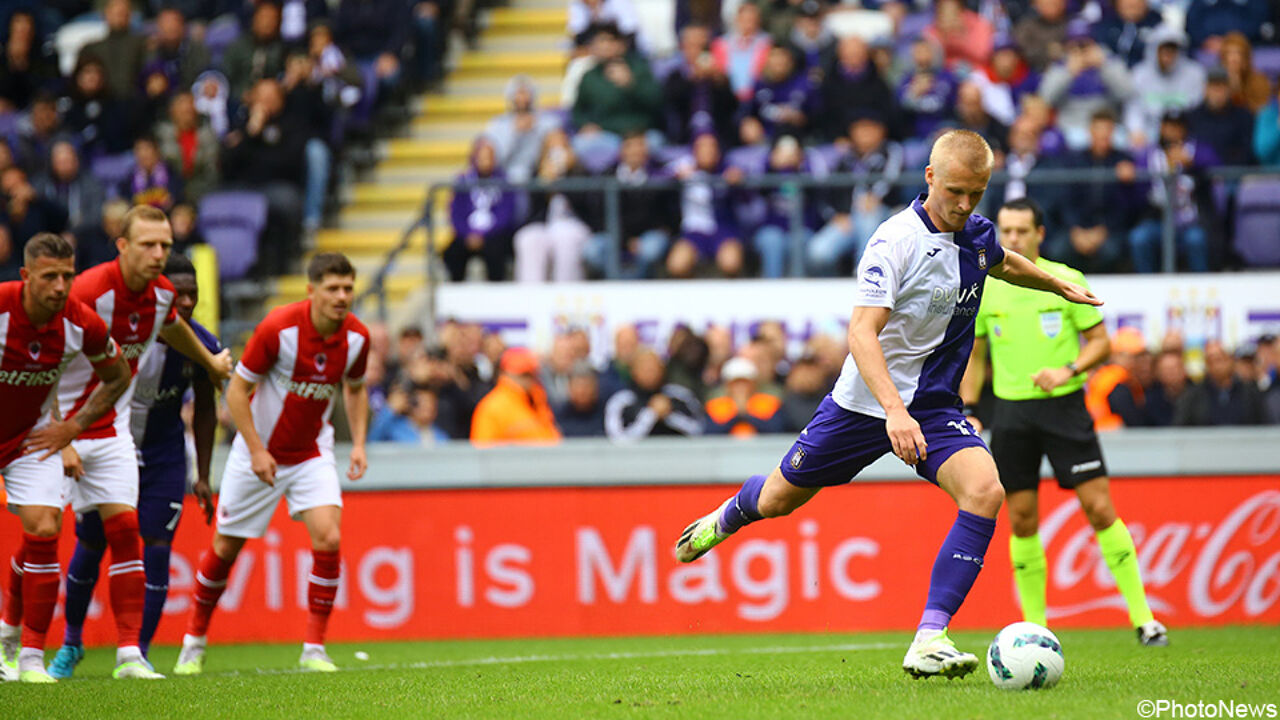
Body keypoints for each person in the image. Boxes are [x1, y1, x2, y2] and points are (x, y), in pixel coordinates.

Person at [674, 130, 1103, 679]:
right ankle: (727, 516)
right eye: (955, 192)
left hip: (933, 407)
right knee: (780, 499)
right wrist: (894, 411)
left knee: (985, 490)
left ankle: (930, 638)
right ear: (929, 178)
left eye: (977, 192)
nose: (965, 204)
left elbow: (1002, 263)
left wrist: (1056, 286)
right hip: (862, 406)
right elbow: (860, 333)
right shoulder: (893, 241)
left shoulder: (976, 234)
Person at [960, 197, 1168, 646]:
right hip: (1010, 413)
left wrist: (1068, 370)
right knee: (1021, 518)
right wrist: (971, 410)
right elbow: (975, 356)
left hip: (1065, 408)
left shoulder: (1065, 279)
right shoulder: (987, 284)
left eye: (1020, 231)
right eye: (1005, 231)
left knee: (1098, 508)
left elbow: (1101, 343)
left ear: (1040, 234)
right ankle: (1036, 627)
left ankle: (1144, 618)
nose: (1011, 239)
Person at [49, 206, 232, 679]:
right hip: (103, 440)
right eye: (181, 295)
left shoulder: (198, 343)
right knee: (88, 542)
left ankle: (137, 653)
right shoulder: (112, 311)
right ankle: (68, 643)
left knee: (152, 546)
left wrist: (203, 474)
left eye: (194, 295)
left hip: (165, 454)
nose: (186, 304)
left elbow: (208, 406)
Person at [174, 252, 370, 675]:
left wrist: (358, 443)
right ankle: (194, 639)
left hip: (312, 451)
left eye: (348, 288)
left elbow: (355, 388)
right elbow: (236, 392)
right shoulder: (278, 329)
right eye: (333, 288)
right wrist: (257, 449)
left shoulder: (356, 338)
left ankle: (314, 649)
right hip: (256, 452)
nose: (342, 296)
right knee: (226, 548)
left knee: (329, 538)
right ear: (311, 291)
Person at [0, 234, 131, 683]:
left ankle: (29, 657)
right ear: (25, 277)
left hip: (30, 439)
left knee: (45, 527)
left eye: (68, 276)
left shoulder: (82, 322)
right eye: (49, 276)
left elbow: (119, 375)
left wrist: (73, 427)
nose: (60, 286)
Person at [470, 347, 562, 445]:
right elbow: (483, 452)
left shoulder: (539, 401)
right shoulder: (492, 407)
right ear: (505, 374)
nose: (528, 381)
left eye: (532, 374)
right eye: (524, 374)